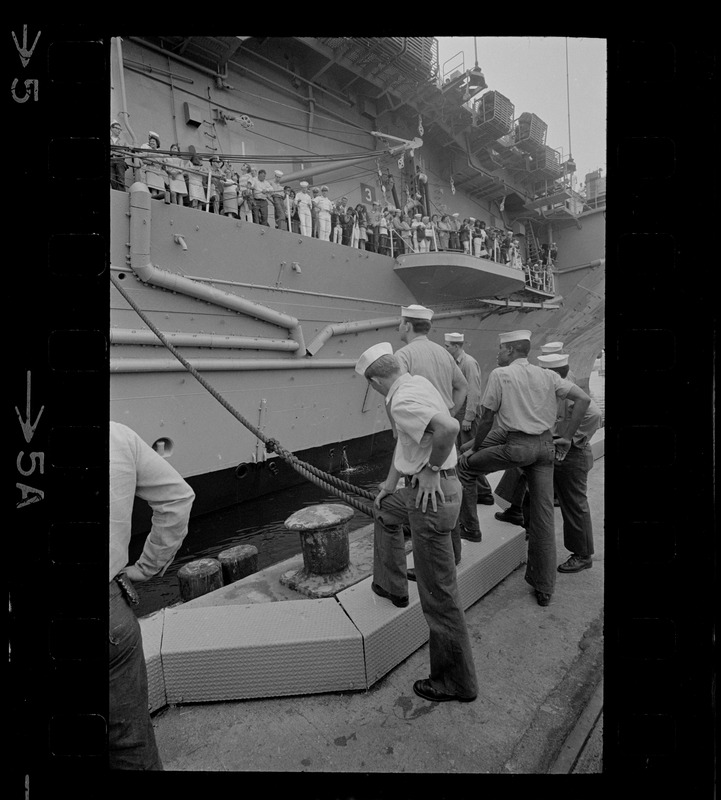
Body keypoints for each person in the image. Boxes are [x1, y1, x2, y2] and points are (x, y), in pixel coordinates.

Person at [355, 344, 478, 704]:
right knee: (385, 511)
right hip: (418, 493)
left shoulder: (401, 400)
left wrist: (430, 469)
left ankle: (456, 682)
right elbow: (408, 441)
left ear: (376, 380)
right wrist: (390, 484)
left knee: (439, 596)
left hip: (431, 498)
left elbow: (449, 428)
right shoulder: (418, 384)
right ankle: (391, 585)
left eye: (371, 385)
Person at [454, 330, 591, 607]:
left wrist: (476, 448)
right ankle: (544, 588)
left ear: (512, 350)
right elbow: (585, 401)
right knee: (543, 518)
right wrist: (567, 435)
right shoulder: (549, 375)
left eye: (501, 349)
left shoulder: (500, 375)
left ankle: (470, 528)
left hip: (517, 446)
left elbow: (488, 418)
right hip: (545, 449)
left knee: (466, 469)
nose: (497, 354)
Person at [109, 421, 195, 770]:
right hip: (111, 617)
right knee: (129, 741)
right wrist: (146, 567)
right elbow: (177, 497)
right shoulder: (117, 435)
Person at [494, 353, 601, 574]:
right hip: (548, 446)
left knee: (573, 502)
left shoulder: (569, 392)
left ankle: (582, 555)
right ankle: (523, 520)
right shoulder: (549, 389)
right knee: (529, 485)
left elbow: (594, 413)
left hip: (571, 452)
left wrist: (572, 438)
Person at [443, 332, 494, 507]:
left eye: (447, 346)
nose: (445, 348)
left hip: (466, 414)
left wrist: (469, 417)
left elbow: (474, 391)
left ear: (457, 346)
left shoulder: (469, 363)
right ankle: (477, 490)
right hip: (458, 414)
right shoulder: (455, 363)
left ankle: (484, 492)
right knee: (462, 454)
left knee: (469, 456)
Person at [139, 131, 168, 202]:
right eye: (150, 141)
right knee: (154, 189)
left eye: (153, 141)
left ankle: (161, 204)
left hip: (158, 173)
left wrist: (162, 163)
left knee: (161, 189)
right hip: (150, 171)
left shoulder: (161, 153)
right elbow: (143, 160)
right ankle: (154, 203)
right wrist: (152, 162)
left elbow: (164, 163)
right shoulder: (147, 151)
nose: (152, 142)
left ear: (157, 143)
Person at [110, 120, 131, 191]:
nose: (119, 131)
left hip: (120, 160)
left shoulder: (123, 140)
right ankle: (116, 193)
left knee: (120, 178)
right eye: (117, 128)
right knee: (112, 179)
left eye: (120, 129)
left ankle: (121, 192)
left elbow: (128, 146)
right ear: (112, 128)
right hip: (110, 160)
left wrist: (131, 147)